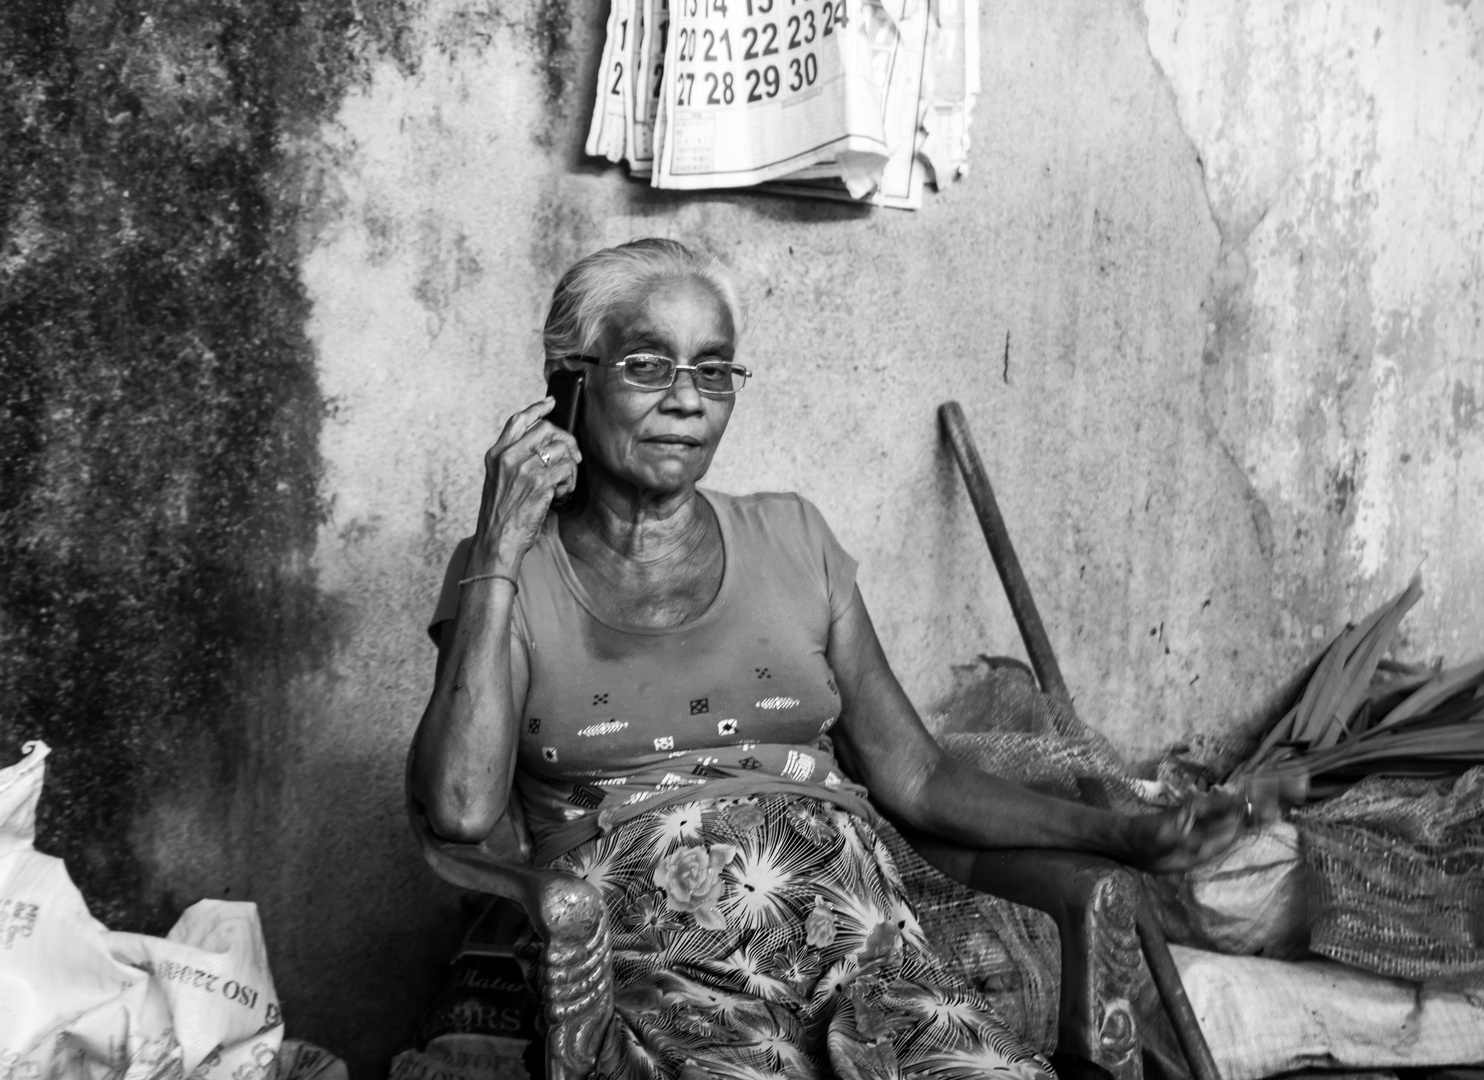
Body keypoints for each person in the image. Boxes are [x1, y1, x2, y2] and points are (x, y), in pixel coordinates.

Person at [412, 238, 1280, 1080]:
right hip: (666, 977)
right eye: (647, 365)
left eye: (713, 370)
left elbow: (922, 778)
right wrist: (498, 545)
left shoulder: (794, 537)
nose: (687, 399)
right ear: (570, 385)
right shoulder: (505, 573)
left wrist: (1123, 833)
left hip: (865, 953)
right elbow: (458, 807)